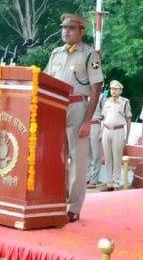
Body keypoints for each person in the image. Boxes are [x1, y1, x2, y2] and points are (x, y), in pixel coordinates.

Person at [44, 13, 103, 222]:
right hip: (56, 108)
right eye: (63, 28)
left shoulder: (90, 55)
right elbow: (44, 79)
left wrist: (88, 120)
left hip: (78, 107)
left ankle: (74, 207)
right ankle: (57, 200)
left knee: (78, 160)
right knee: (57, 157)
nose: (65, 31)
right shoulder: (55, 54)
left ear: (81, 31)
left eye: (70, 28)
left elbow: (96, 87)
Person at [100, 80, 132, 190]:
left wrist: (127, 137)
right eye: (112, 89)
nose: (113, 91)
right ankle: (109, 183)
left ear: (120, 90)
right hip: (106, 130)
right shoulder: (107, 102)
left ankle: (116, 183)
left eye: (116, 89)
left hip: (118, 130)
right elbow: (103, 118)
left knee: (117, 157)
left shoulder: (124, 102)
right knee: (107, 158)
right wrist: (101, 132)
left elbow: (128, 119)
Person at [86, 96, 104, 188]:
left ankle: (94, 180)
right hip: (86, 125)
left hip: (96, 124)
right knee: (86, 154)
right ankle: (86, 178)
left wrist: (102, 131)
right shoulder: (85, 95)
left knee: (96, 154)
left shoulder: (101, 97)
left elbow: (106, 115)